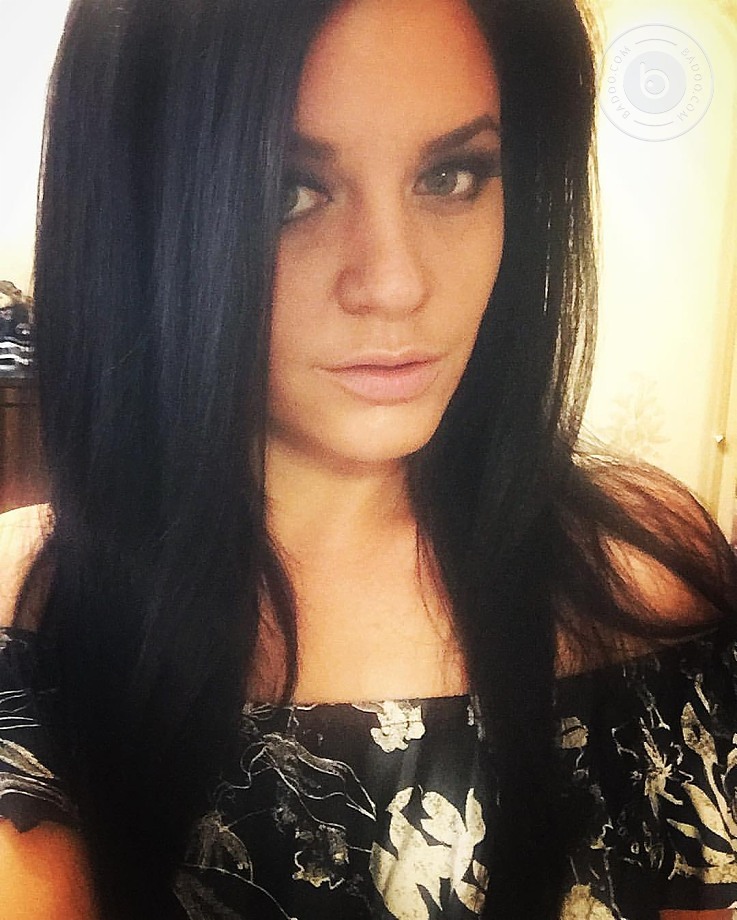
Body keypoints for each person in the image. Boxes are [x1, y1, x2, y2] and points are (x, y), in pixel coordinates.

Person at [0, 0, 736, 918]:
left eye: (451, 176)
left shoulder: (645, 581)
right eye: (285, 192)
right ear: (137, 218)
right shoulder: (33, 621)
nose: (395, 283)